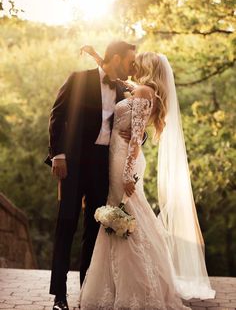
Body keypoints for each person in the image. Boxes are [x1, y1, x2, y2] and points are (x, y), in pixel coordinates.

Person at [78, 50, 216, 309]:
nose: (132, 65)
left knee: (129, 212)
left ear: (146, 67)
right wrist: (99, 58)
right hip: (118, 155)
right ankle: (119, 283)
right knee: (128, 213)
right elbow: (121, 83)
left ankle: (139, 288)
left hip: (124, 159)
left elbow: (136, 137)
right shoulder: (142, 89)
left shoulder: (142, 92)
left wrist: (129, 172)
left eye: (136, 63)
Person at [45, 41, 144, 310]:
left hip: (103, 166)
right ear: (114, 58)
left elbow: (139, 127)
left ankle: (85, 293)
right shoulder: (79, 79)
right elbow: (57, 115)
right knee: (66, 224)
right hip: (73, 163)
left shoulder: (125, 90)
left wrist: (137, 137)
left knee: (94, 230)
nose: (131, 67)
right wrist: (59, 155)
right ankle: (59, 296)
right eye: (128, 61)